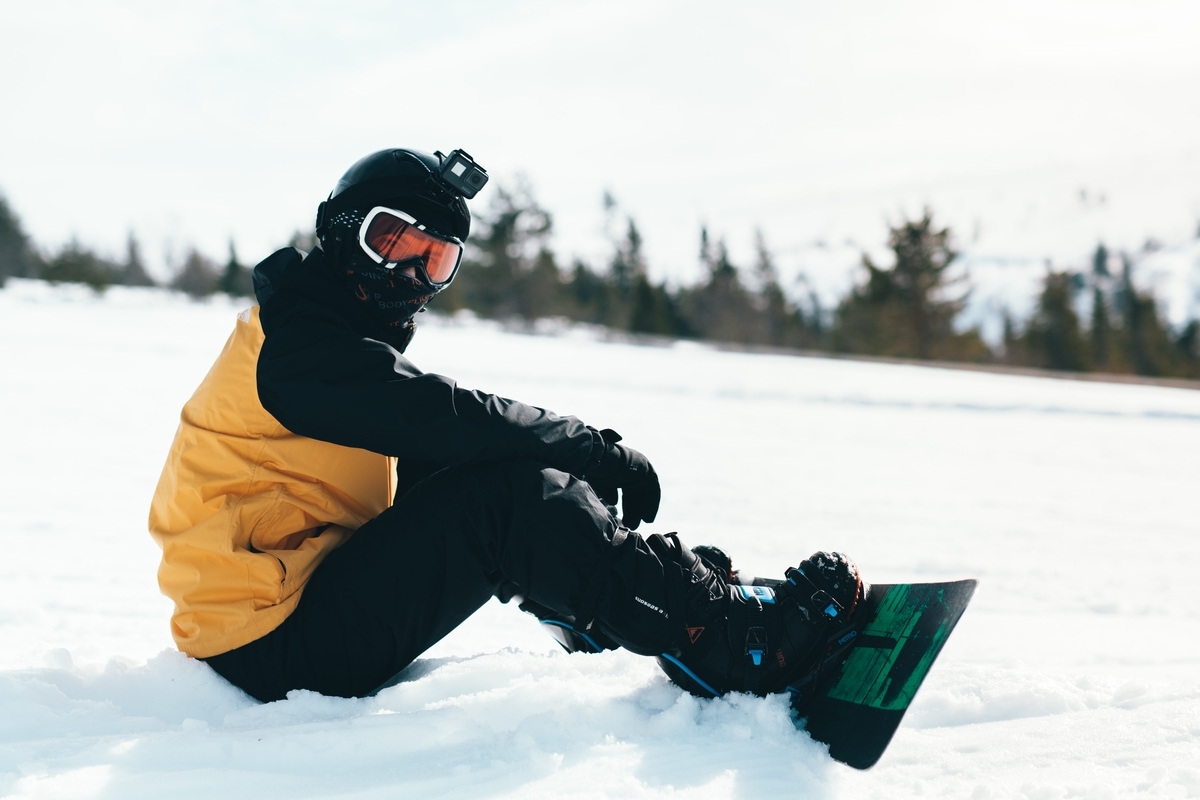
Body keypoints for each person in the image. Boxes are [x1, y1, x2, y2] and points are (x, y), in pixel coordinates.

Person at [148, 146, 864, 704]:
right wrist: (589, 450)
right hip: (271, 644)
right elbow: (446, 415)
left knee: (473, 471)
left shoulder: (315, 340)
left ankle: (613, 599)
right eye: (394, 243)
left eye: (437, 261)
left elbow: (441, 444)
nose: (412, 276)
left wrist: (580, 535)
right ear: (340, 234)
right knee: (503, 497)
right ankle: (733, 644)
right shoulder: (299, 351)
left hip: (282, 612)